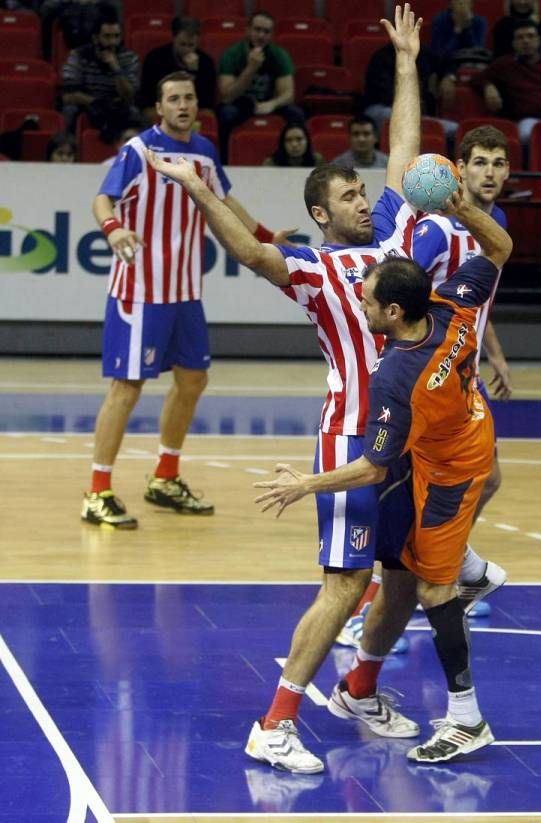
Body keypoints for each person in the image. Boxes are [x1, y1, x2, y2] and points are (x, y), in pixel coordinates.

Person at [145, 3, 425, 774]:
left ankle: (360, 685)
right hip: (352, 437)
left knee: (402, 576)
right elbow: (247, 250)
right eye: (349, 198)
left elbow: (405, 149)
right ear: (319, 215)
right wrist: (199, 190)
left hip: (409, 441)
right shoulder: (314, 267)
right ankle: (274, 721)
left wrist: (404, 62)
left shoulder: (396, 236)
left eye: (364, 193)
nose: (365, 201)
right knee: (344, 583)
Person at [254, 192, 513, 764]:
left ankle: (467, 718)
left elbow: (372, 466)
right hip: (468, 440)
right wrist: (463, 208)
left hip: (448, 475)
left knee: (434, 592)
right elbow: (500, 244)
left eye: (367, 301)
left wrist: (304, 484)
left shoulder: (396, 376)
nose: (361, 306)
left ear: (395, 312)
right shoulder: (456, 304)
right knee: (406, 571)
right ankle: (467, 571)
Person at [82, 70, 293, 530]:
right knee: (127, 388)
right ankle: (96, 492)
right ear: (159, 108)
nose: (182, 104)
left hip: (185, 293)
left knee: (194, 379)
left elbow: (226, 203)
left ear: (198, 105)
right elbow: (102, 200)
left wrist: (265, 236)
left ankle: (165, 477)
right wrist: (114, 230)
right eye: (173, 98)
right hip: (139, 292)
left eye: (189, 97)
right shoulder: (139, 151)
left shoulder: (204, 152)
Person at [337, 125, 511, 648]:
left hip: (462, 372)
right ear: (458, 170)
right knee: (408, 503)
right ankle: (377, 603)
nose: (490, 173)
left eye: (499, 163)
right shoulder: (436, 230)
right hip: (426, 380)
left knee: (490, 479)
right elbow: (410, 300)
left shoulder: (492, 222)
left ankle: (454, 568)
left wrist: (493, 353)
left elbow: (476, 296)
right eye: (479, 162)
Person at [471, 20, 541, 141]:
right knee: (526, 135)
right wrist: (488, 86)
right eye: (520, 37)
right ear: (513, 43)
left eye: (530, 36)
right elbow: (477, 78)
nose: (526, 41)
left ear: (539, 40)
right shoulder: (505, 64)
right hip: (529, 119)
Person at [216, 11, 304, 162]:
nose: (261, 35)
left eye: (266, 31)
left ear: (271, 34)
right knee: (226, 113)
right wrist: (250, 69)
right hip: (241, 103)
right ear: (248, 30)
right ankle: (225, 162)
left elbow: (288, 94)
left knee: (296, 113)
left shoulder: (279, 55)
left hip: (270, 103)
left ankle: (293, 162)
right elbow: (227, 96)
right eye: (257, 30)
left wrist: (272, 104)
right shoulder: (231, 55)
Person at [60, 4, 141, 141]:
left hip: (117, 107)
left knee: (135, 113)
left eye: (116, 36)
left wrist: (115, 68)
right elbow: (68, 95)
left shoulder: (129, 58)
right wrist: (97, 102)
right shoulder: (79, 55)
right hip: (87, 105)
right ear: (96, 38)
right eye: (107, 37)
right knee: (69, 110)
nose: (112, 42)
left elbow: (129, 96)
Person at [138, 17, 216, 128]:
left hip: (193, 107)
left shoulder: (205, 62)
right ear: (173, 38)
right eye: (183, 45)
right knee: (150, 114)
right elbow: (148, 95)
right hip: (162, 104)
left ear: (198, 41)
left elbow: (205, 100)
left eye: (191, 45)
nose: (187, 50)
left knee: (208, 116)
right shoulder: (155, 58)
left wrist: (193, 72)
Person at [363, 39, 438, 132]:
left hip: (418, 115)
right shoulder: (382, 56)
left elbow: (444, 63)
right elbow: (383, 93)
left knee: (452, 129)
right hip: (383, 108)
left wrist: (449, 76)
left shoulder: (424, 53)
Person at [431, 0, 490, 114]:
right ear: (450, 4)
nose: (462, 5)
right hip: (446, 64)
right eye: (458, 2)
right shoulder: (440, 21)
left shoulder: (479, 22)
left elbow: (478, 52)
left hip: (472, 64)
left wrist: (467, 28)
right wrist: (457, 30)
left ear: (471, 4)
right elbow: (440, 54)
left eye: (465, 1)